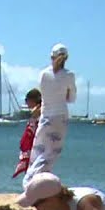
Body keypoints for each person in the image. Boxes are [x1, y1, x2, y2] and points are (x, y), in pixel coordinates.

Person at [25, 44, 76, 183]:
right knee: (51, 153)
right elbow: (72, 99)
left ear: (51, 57)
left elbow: (44, 95)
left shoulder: (43, 74)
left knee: (38, 152)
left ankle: (31, 180)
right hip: (60, 117)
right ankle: (36, 181)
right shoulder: (69, 75)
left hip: (45, 116)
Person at [13, 89, 42, 178]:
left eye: (26, 100)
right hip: (35, 146)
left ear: (31, 100)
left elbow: (33, 130)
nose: (26, 103)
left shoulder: (37, 112)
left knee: (32, 172)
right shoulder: (37, 111)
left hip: (34, 146)